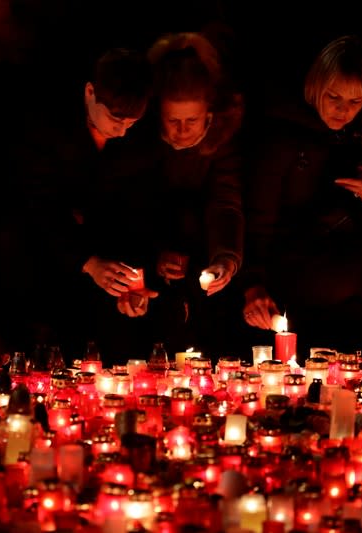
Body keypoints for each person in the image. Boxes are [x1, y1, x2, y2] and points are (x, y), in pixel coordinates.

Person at [239, 34, 362, 351]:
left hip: (346, 245)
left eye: (355, 102)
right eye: (334, 97)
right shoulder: (284, 136)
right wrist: (252, 283)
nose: (343, 111)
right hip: (295, 257)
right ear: (316, 88)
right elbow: (259, 216)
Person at [0, 47, 154, 360]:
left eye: (132, 123)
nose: (122, 130)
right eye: (116, 118)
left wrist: (131, 283)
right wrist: (89, 262)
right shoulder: (45, 126)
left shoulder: (132, 142)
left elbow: (131, 208)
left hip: (94, 242)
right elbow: (37, 204)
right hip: (39, 242)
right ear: (90, 92)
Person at [114, 31, 245, 356]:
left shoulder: (221, 144)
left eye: (192, 120)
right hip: (145, 246)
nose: (182, 130)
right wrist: (155, 254)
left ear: (210, 115)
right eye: (173, 120)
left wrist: (225, 258)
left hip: (202, 244)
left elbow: (225, 202)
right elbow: (131, 205)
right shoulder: (139, 142)